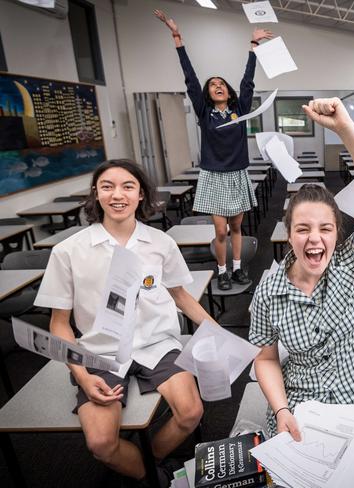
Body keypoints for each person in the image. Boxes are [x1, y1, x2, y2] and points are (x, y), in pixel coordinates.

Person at [34, 159, 215, 486]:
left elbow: (181, 296)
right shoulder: (68, 251)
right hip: (100, 351)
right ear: (95, 193)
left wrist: (218, 335)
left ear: (142, 194)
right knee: (102, 444)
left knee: (190, 412)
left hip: (157, 344)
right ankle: (158, 476)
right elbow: (59, 324)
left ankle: (147, 461)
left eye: (128, 186)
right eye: (107, 186)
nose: (118, 195)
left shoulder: (161, 243)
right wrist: (83, 375)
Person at [249, 98, 354, 471]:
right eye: (303, 229)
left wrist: (344, 128)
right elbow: (266, 358)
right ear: (288, 234)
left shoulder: (350, 262)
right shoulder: (269, 291)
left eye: (325, 229)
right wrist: (282, 409)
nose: (314, 239)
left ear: (338, 233)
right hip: (303, 396)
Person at [155, 10, 272, 291]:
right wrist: (177, 38)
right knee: (220, 230)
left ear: (228, 92)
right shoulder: (205, 112)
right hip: (213, 175)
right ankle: (222, 271)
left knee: (236, 228)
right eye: (213, 85)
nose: (217, 86)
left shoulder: (239, 109)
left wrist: (253, 47)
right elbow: (191, 79)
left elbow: (248, 82)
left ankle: (237, 269)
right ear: (207, 94)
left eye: (221, 84)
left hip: (237, 174)